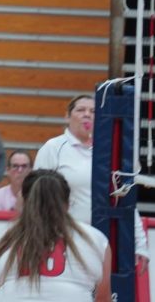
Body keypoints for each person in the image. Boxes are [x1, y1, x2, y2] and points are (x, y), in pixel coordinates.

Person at [34, 94, 149, 269]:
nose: (87, 114)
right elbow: (36, 197)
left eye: (93, 111)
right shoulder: (53, 148)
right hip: (63, 240)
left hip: (105, 241)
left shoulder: (113, 152)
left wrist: (140, 244)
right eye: (80, 110)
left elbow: (126, 200)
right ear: (67, 116)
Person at [0, 169, 111, 302]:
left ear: (23, 201)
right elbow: (103, 298)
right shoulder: (95, 239)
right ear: (68, 204)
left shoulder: (5, 240)